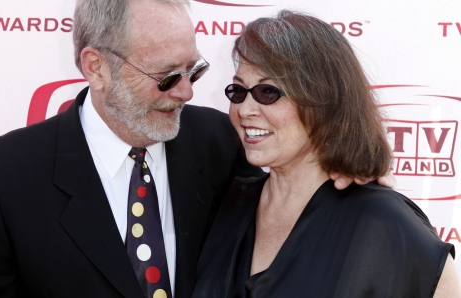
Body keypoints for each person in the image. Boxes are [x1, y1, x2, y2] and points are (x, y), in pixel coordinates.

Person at [0, 1, 393, 297]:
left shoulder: (222, 142)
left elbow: (305, 186)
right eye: (166, 76)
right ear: (96, 68)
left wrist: (359, 170)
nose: (186, 93)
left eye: (193, 71)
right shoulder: (3, 179)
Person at [192, 10, 461, 298]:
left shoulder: (384, 222)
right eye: (238, 91)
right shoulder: (227, 204)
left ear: (324, 101)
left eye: (268, 92)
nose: (244, 110)